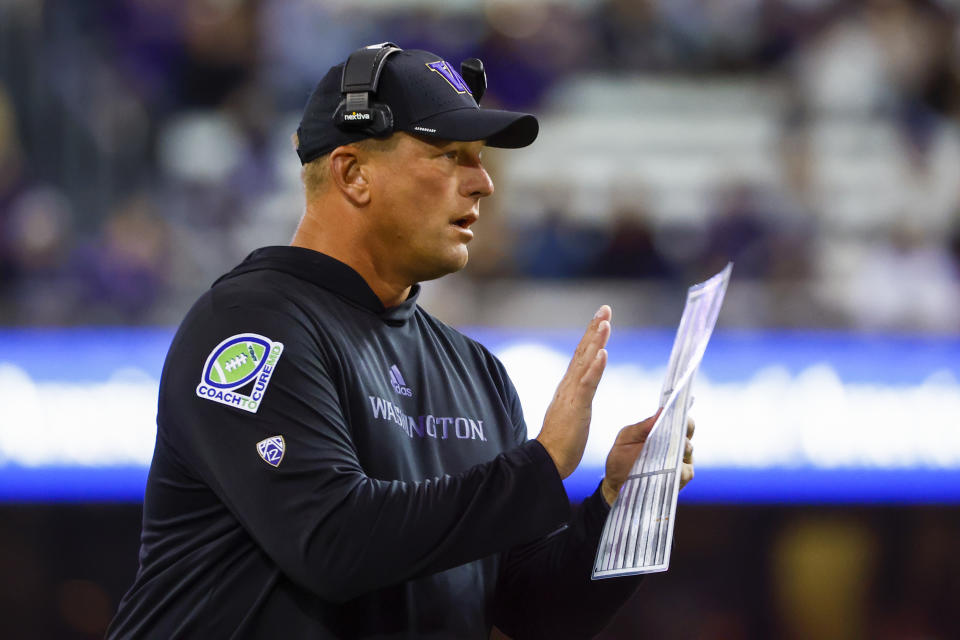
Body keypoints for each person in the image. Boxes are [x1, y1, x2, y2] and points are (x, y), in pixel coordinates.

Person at [107, 44, 696, 639]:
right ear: (353, 173)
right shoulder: (250, 325)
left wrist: (624, 506)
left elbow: (534, 613)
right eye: (448, 155)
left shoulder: (476, 372)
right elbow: (332, 543)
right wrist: (541, 465)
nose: (484, 183)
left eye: (481, 158)